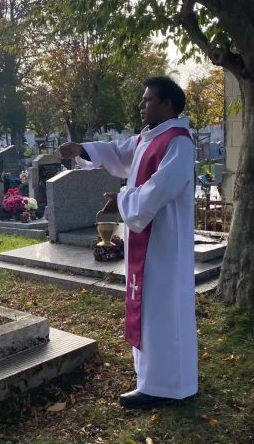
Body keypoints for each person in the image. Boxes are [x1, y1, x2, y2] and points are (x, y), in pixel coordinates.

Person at [57, 76, 198, 410]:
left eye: (148, 100)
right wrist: (81, 149)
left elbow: (159, 190)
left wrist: (120, 200)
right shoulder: (150, 137)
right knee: (149, 309)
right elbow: (119, 154)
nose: (141, 105)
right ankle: (152, 380)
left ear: (168, 104)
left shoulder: (178, 143)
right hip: (146, 241)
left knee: (163, 311)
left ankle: (166, 385)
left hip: (164, 244)